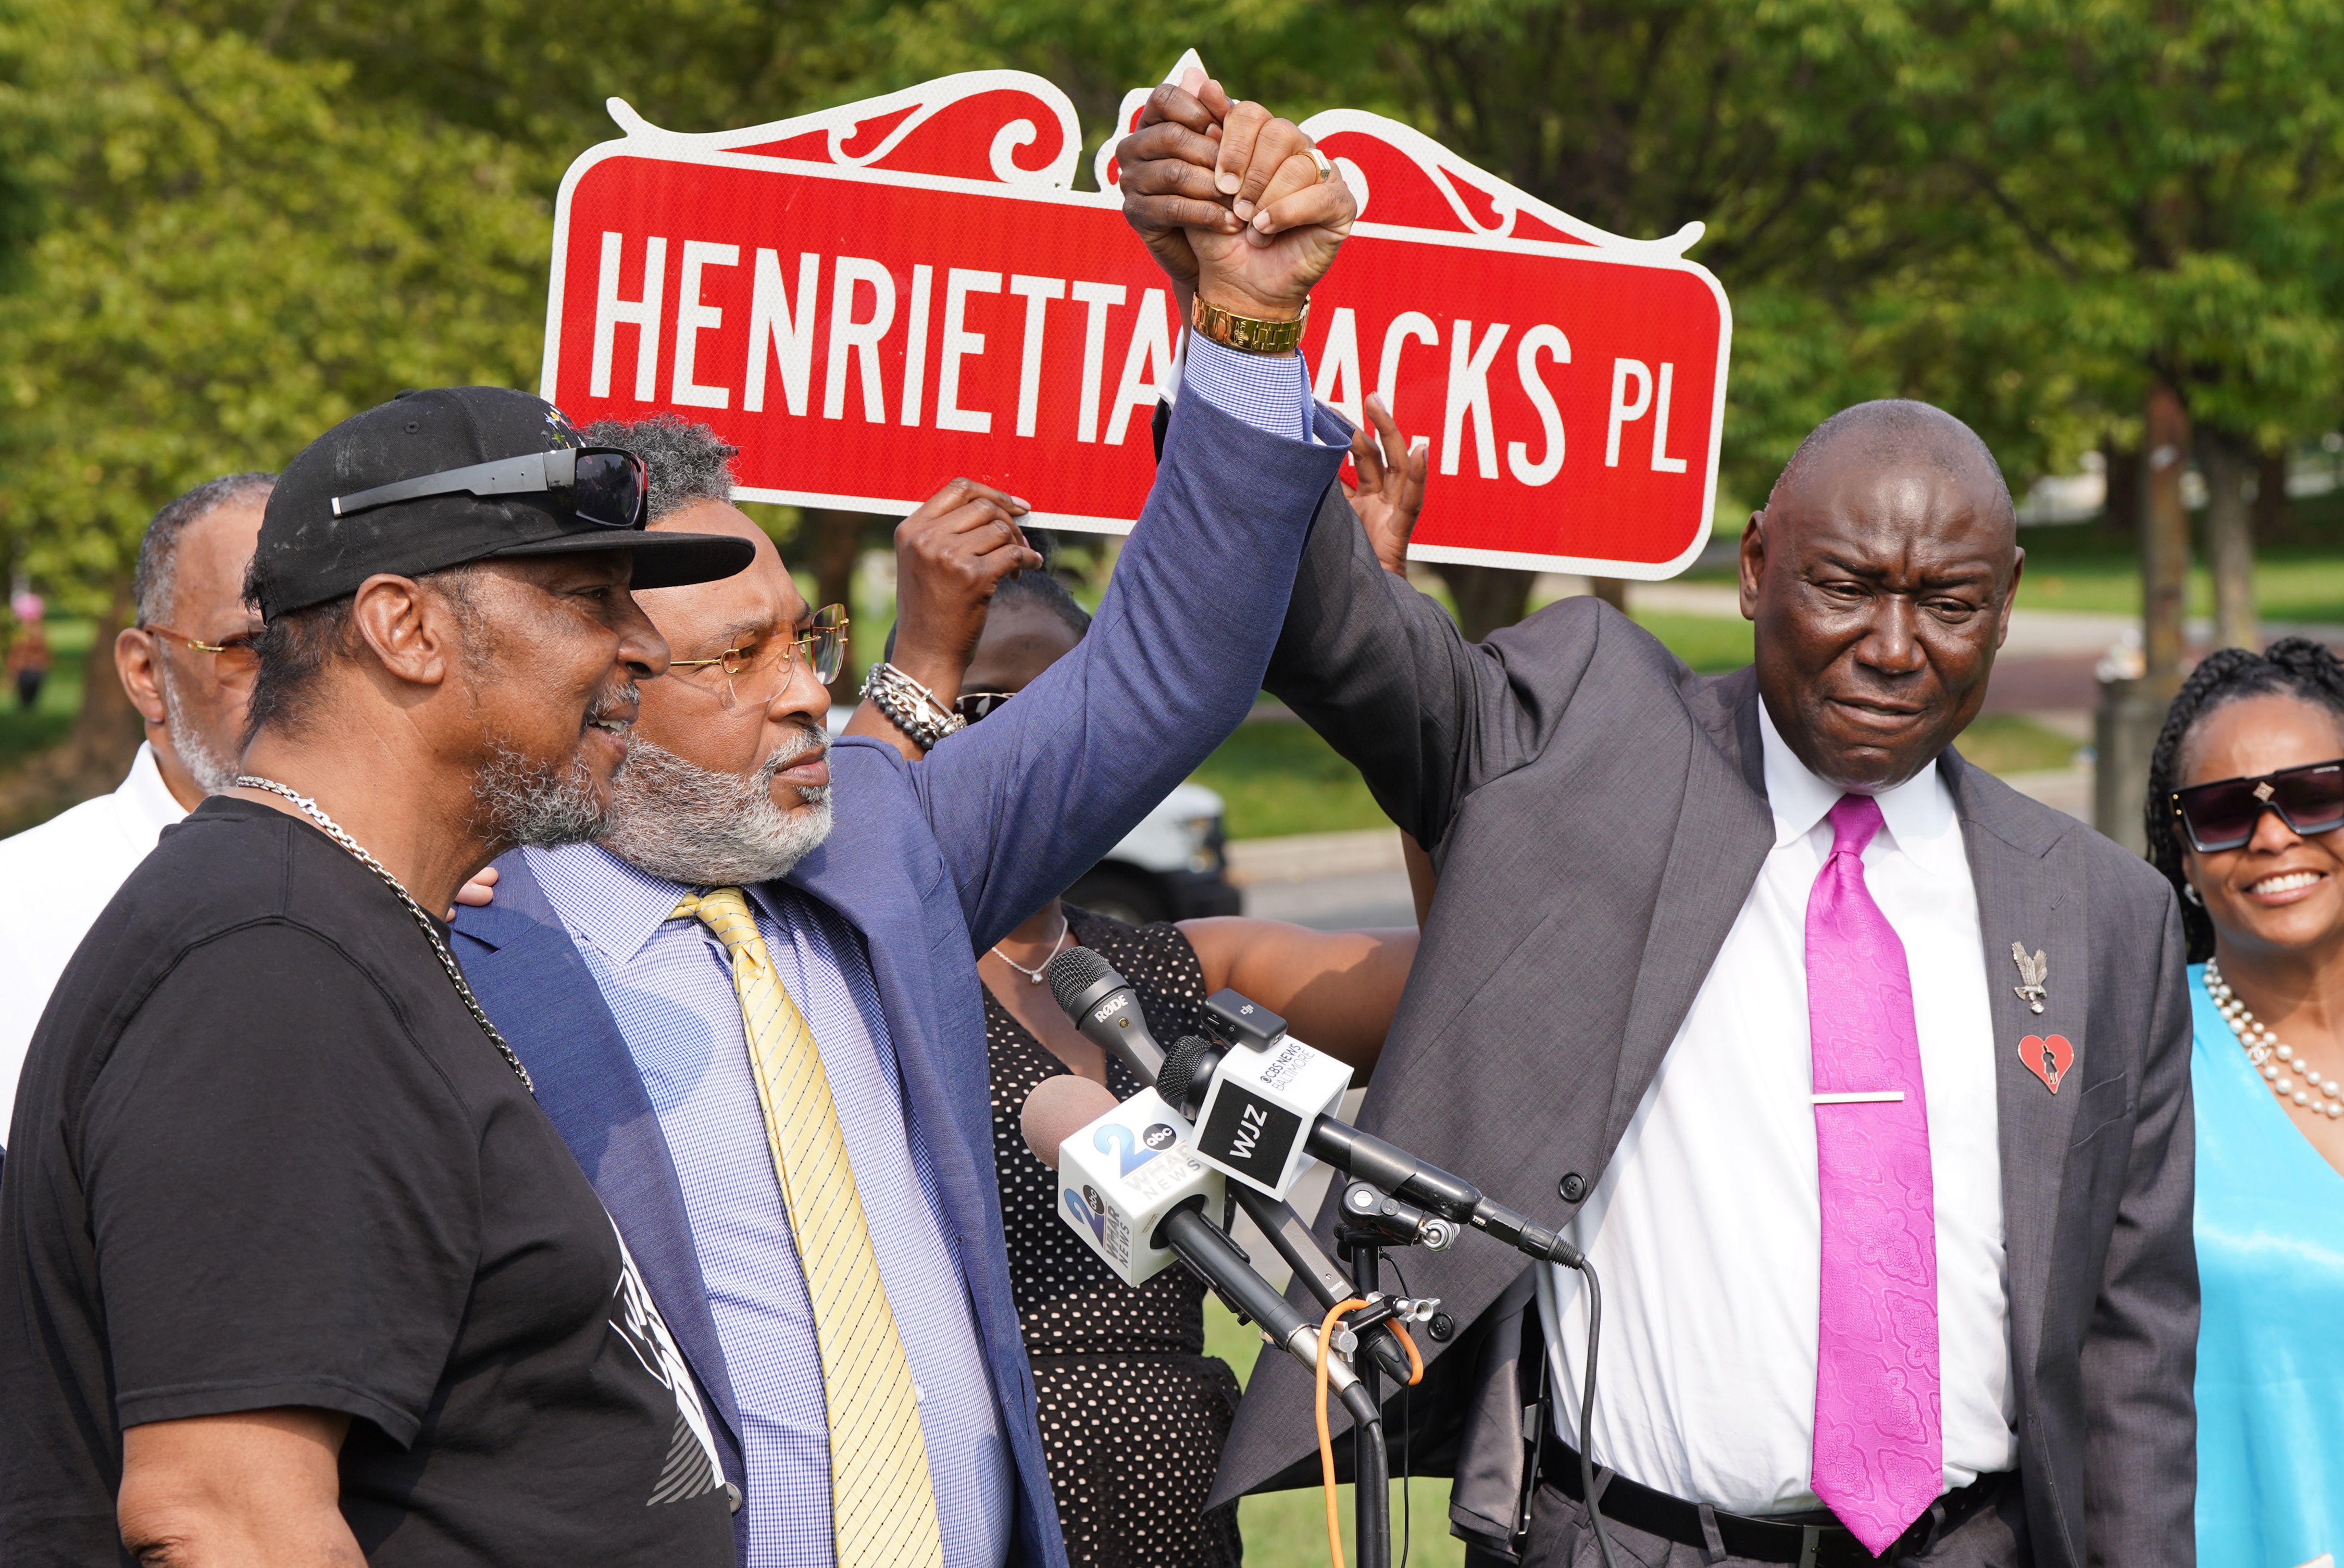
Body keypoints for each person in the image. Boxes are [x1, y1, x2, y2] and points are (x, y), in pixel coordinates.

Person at [1126, 82, 2193, 1565]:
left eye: (1946, 604)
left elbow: (2130, 1341)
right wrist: (1246, 326)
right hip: (1632, 1540)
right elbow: (1342, 645)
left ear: (2001, 609)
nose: (1893, 646)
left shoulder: (2099, 911)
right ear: (1755, 567)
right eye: (1844, 587)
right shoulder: (1586, 738)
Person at [447, 127, 1360, 1568]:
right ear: (599, 692)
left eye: (801, 640)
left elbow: (1165, 671)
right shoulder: (458, 944)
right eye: (738, 659)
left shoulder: (875, 850)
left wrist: (1243, 323)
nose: (810, 688)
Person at [0, 386, 759, 1566]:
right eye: (586, 599)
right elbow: (227, 1520)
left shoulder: (330, 923)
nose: (643, 646)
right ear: (404, 628)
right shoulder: (269, 965)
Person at [859, 486, 1424, 1566]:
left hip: (1174, 1501)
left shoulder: (1177, 963)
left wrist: (1392, 662)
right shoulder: (858, 968)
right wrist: (919, 649)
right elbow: (848, 847)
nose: (1024, 748)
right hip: (979, 1502)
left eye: (1062, 709)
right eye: (980, 709)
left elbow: (1456, 979)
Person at [2143, 638, 2344, 1565]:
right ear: (2183, 856)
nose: (2272, 836)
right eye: (2223, 812)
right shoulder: (2136, 1066)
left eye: (2315, 793)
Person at [0, 473, 270, 1124]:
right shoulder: (18, 912)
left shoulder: (446, 895)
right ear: (147, 674)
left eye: (327, 642)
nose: (302, 682)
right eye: (250, 647)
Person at [6, 595, 48, 709]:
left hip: (30, 669)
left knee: (27, 698)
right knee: (27, 698)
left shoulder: (23, 633)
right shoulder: (39, 631)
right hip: (32, 669)